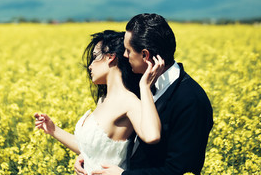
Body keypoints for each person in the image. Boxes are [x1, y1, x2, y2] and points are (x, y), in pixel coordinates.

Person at [75, 13, 214, 175]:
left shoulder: (190, 100)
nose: (124, 56)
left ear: (145, 55)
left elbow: (180, 169)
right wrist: (89, 155)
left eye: (128, 51)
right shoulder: (138, 83)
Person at [35, 30, 165, 175]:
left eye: (95, 57)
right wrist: (53, 130)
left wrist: (145, 87)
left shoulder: (129, 101)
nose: (90, 66)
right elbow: (92, 148)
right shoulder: (103, 100)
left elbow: (152, 136)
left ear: (111, 57)